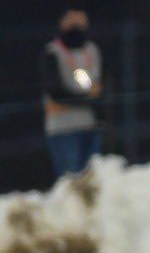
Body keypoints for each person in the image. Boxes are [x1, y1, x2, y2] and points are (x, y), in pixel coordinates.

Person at [41, 9, 104, 178]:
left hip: (90, 125)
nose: (76, 26)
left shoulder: (91, 50)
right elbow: (56, 92)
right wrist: (87, 98)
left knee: (93, 180)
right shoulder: (53, 52)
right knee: (70, 181)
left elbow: (97, 85)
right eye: (72, 21)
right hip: (63, 128)